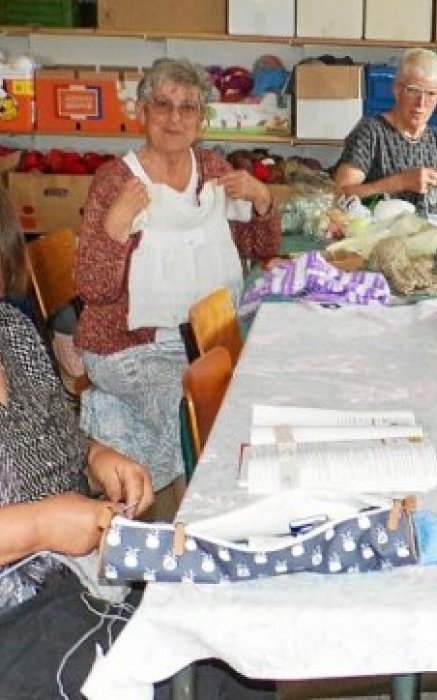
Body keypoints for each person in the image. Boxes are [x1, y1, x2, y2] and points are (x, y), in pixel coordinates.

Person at [75, 58, 280, 519]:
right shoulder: (116, 181)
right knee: (199, 405)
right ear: (143, 112)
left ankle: (115, 433)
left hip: (205, 337)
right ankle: (197, 516)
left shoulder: (212, 170)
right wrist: (115, 225)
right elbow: (93, 289)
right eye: (163, 105)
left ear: (201, 119)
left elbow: (258, 247)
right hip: (128, 347)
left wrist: (263, 200)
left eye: (188, 107)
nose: (174, 117)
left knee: (265, 382)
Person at [0, 188, 156, 697]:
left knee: (216, 645)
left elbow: (54, 433)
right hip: (16, 612)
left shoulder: (13, 332)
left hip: (74, 575)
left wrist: (95, 458)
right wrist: (39, 526)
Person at [334, 48, 437, 216]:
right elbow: (339, 195)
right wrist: (401, 182)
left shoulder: (436, 139)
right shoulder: (371, 132)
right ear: (396, 89)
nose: (421, 104)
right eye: (412, 91)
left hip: (424, 236)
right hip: (379, 237)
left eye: (431, 94)